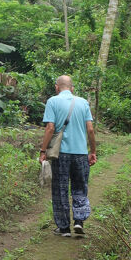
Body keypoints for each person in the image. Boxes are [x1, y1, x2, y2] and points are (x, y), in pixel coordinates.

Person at [39, 75, 96, 238]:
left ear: (57, 87)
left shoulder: (52, 101)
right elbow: (90, 130)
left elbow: (50, 128)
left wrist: (43, 150)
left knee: (60, 188)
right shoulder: (83, 102)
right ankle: (79, 221)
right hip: (80, 154)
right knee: (80, 186)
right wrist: (93, 151)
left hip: (61, 154)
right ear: (72, 88)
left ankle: (64, 228)